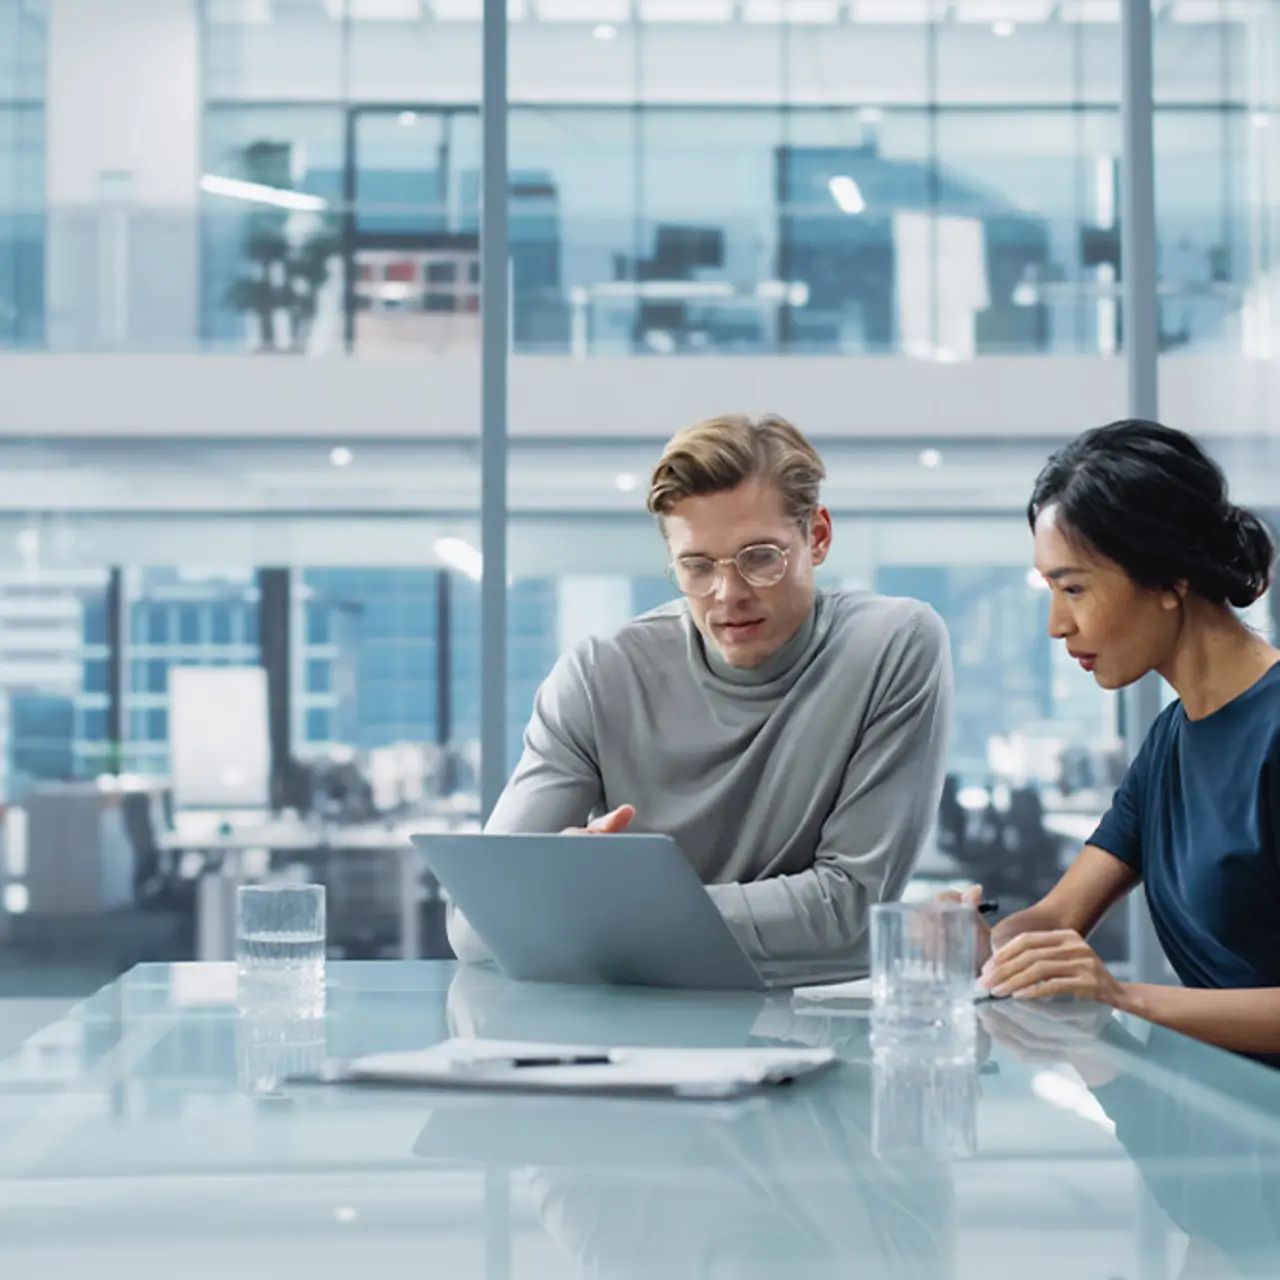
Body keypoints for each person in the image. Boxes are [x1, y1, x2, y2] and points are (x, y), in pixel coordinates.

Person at [449, 413, 953, 964]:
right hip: (633, 1030)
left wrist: (600, 911)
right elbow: (476, 924)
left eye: (761, 558)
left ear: (819, 536)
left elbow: (848, 908)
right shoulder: (598, 676)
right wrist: (568, 891)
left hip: (815, 1021)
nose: (727, 593)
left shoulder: (893, 645)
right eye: (696, 566)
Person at [950, 419, 1280, 1059]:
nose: (1055, 624)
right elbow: (1054, 917)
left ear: (1169, 579)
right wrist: (984, 945)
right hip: (1219, 1111)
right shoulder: (1170, 742)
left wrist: (1122, 997)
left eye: (1074, 588)